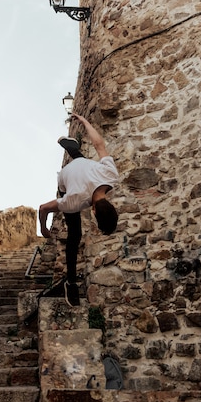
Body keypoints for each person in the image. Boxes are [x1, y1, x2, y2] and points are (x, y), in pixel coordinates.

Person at [39, 113, 119, 306]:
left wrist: (84, 121)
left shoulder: (111, 175)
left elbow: (99, 144)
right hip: (65, 183)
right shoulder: (75, 200)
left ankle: (72, 148)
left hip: (81, 167)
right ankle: (71, 283)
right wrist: (43, 228)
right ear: (93, 211)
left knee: (82, 162)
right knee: (75, 235)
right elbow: (43, 208)